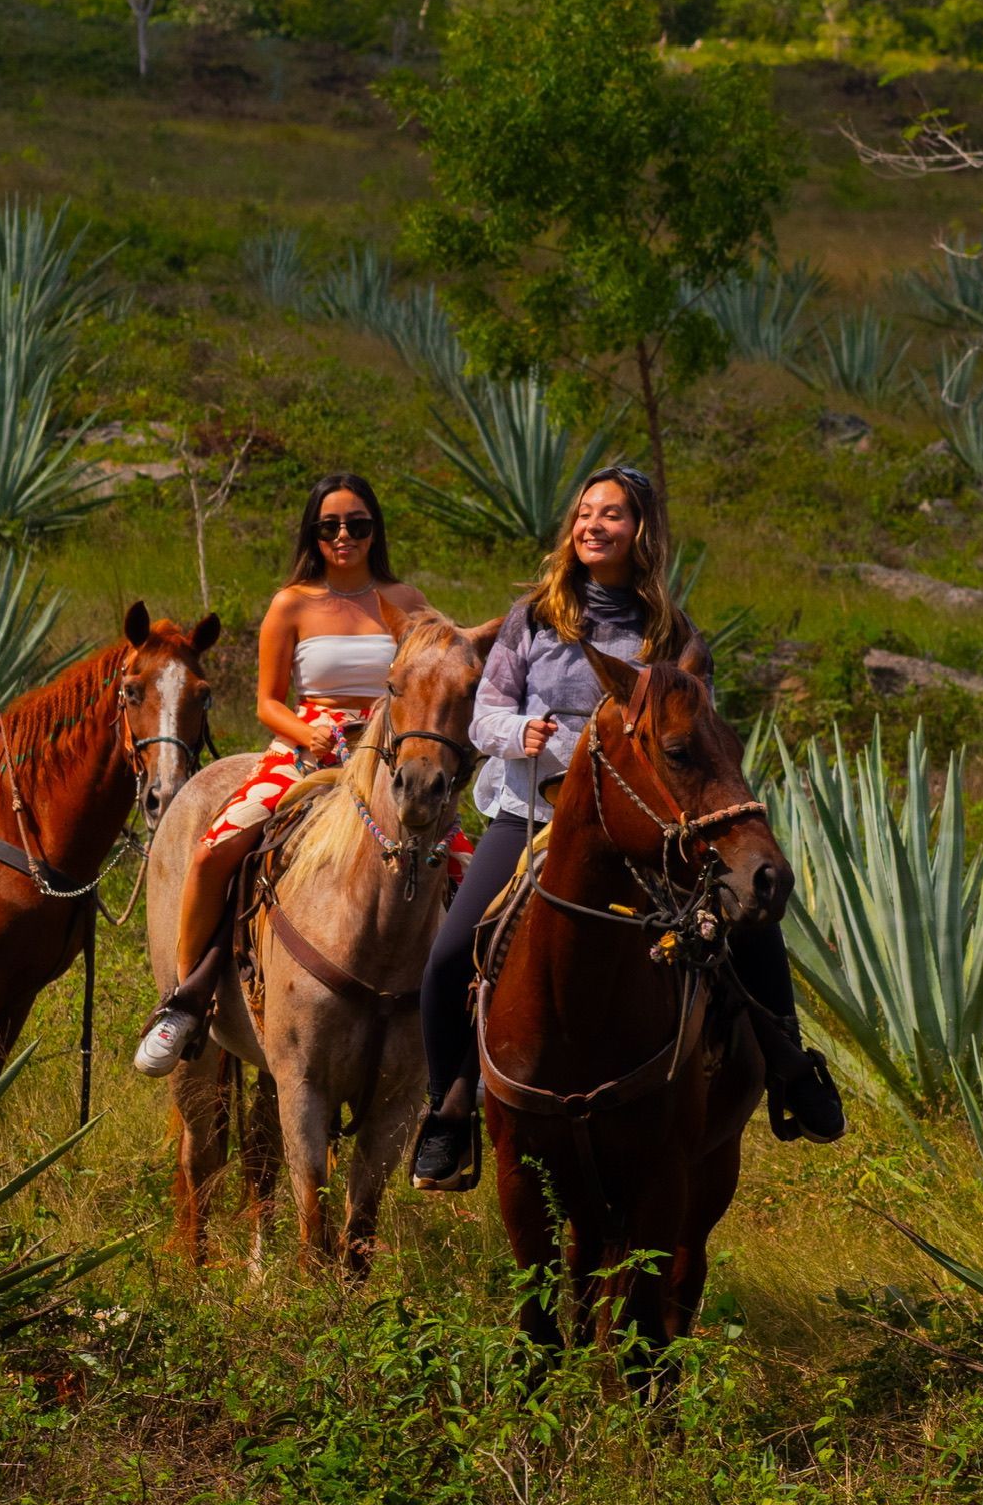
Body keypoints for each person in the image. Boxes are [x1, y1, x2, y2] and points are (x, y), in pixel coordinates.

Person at [410, 463, 844, 1191]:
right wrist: (527, 732)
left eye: (610, 514)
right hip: (536, 815)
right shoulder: (534, 619)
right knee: (453, 954)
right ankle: (451, 1108)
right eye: (584, 513)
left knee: (749, 926)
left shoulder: (669, 631)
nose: (592, 525)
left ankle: (789, 1065)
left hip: (645, 826)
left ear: (640, 531)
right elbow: (484, 716)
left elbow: (693, 726)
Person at [135, 470, 456, 1075]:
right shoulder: (292, 603)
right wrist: (306, 731)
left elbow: (435, 683)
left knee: (462, 865)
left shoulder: (409, 603)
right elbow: (266, 702)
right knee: (213, 850)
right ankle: (187, 998)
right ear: (313, 530)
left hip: (390, 757)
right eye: (329, 524)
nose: (343, 535)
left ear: (374, 530)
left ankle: (466, 1017)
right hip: (310, 752)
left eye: (357, 524)